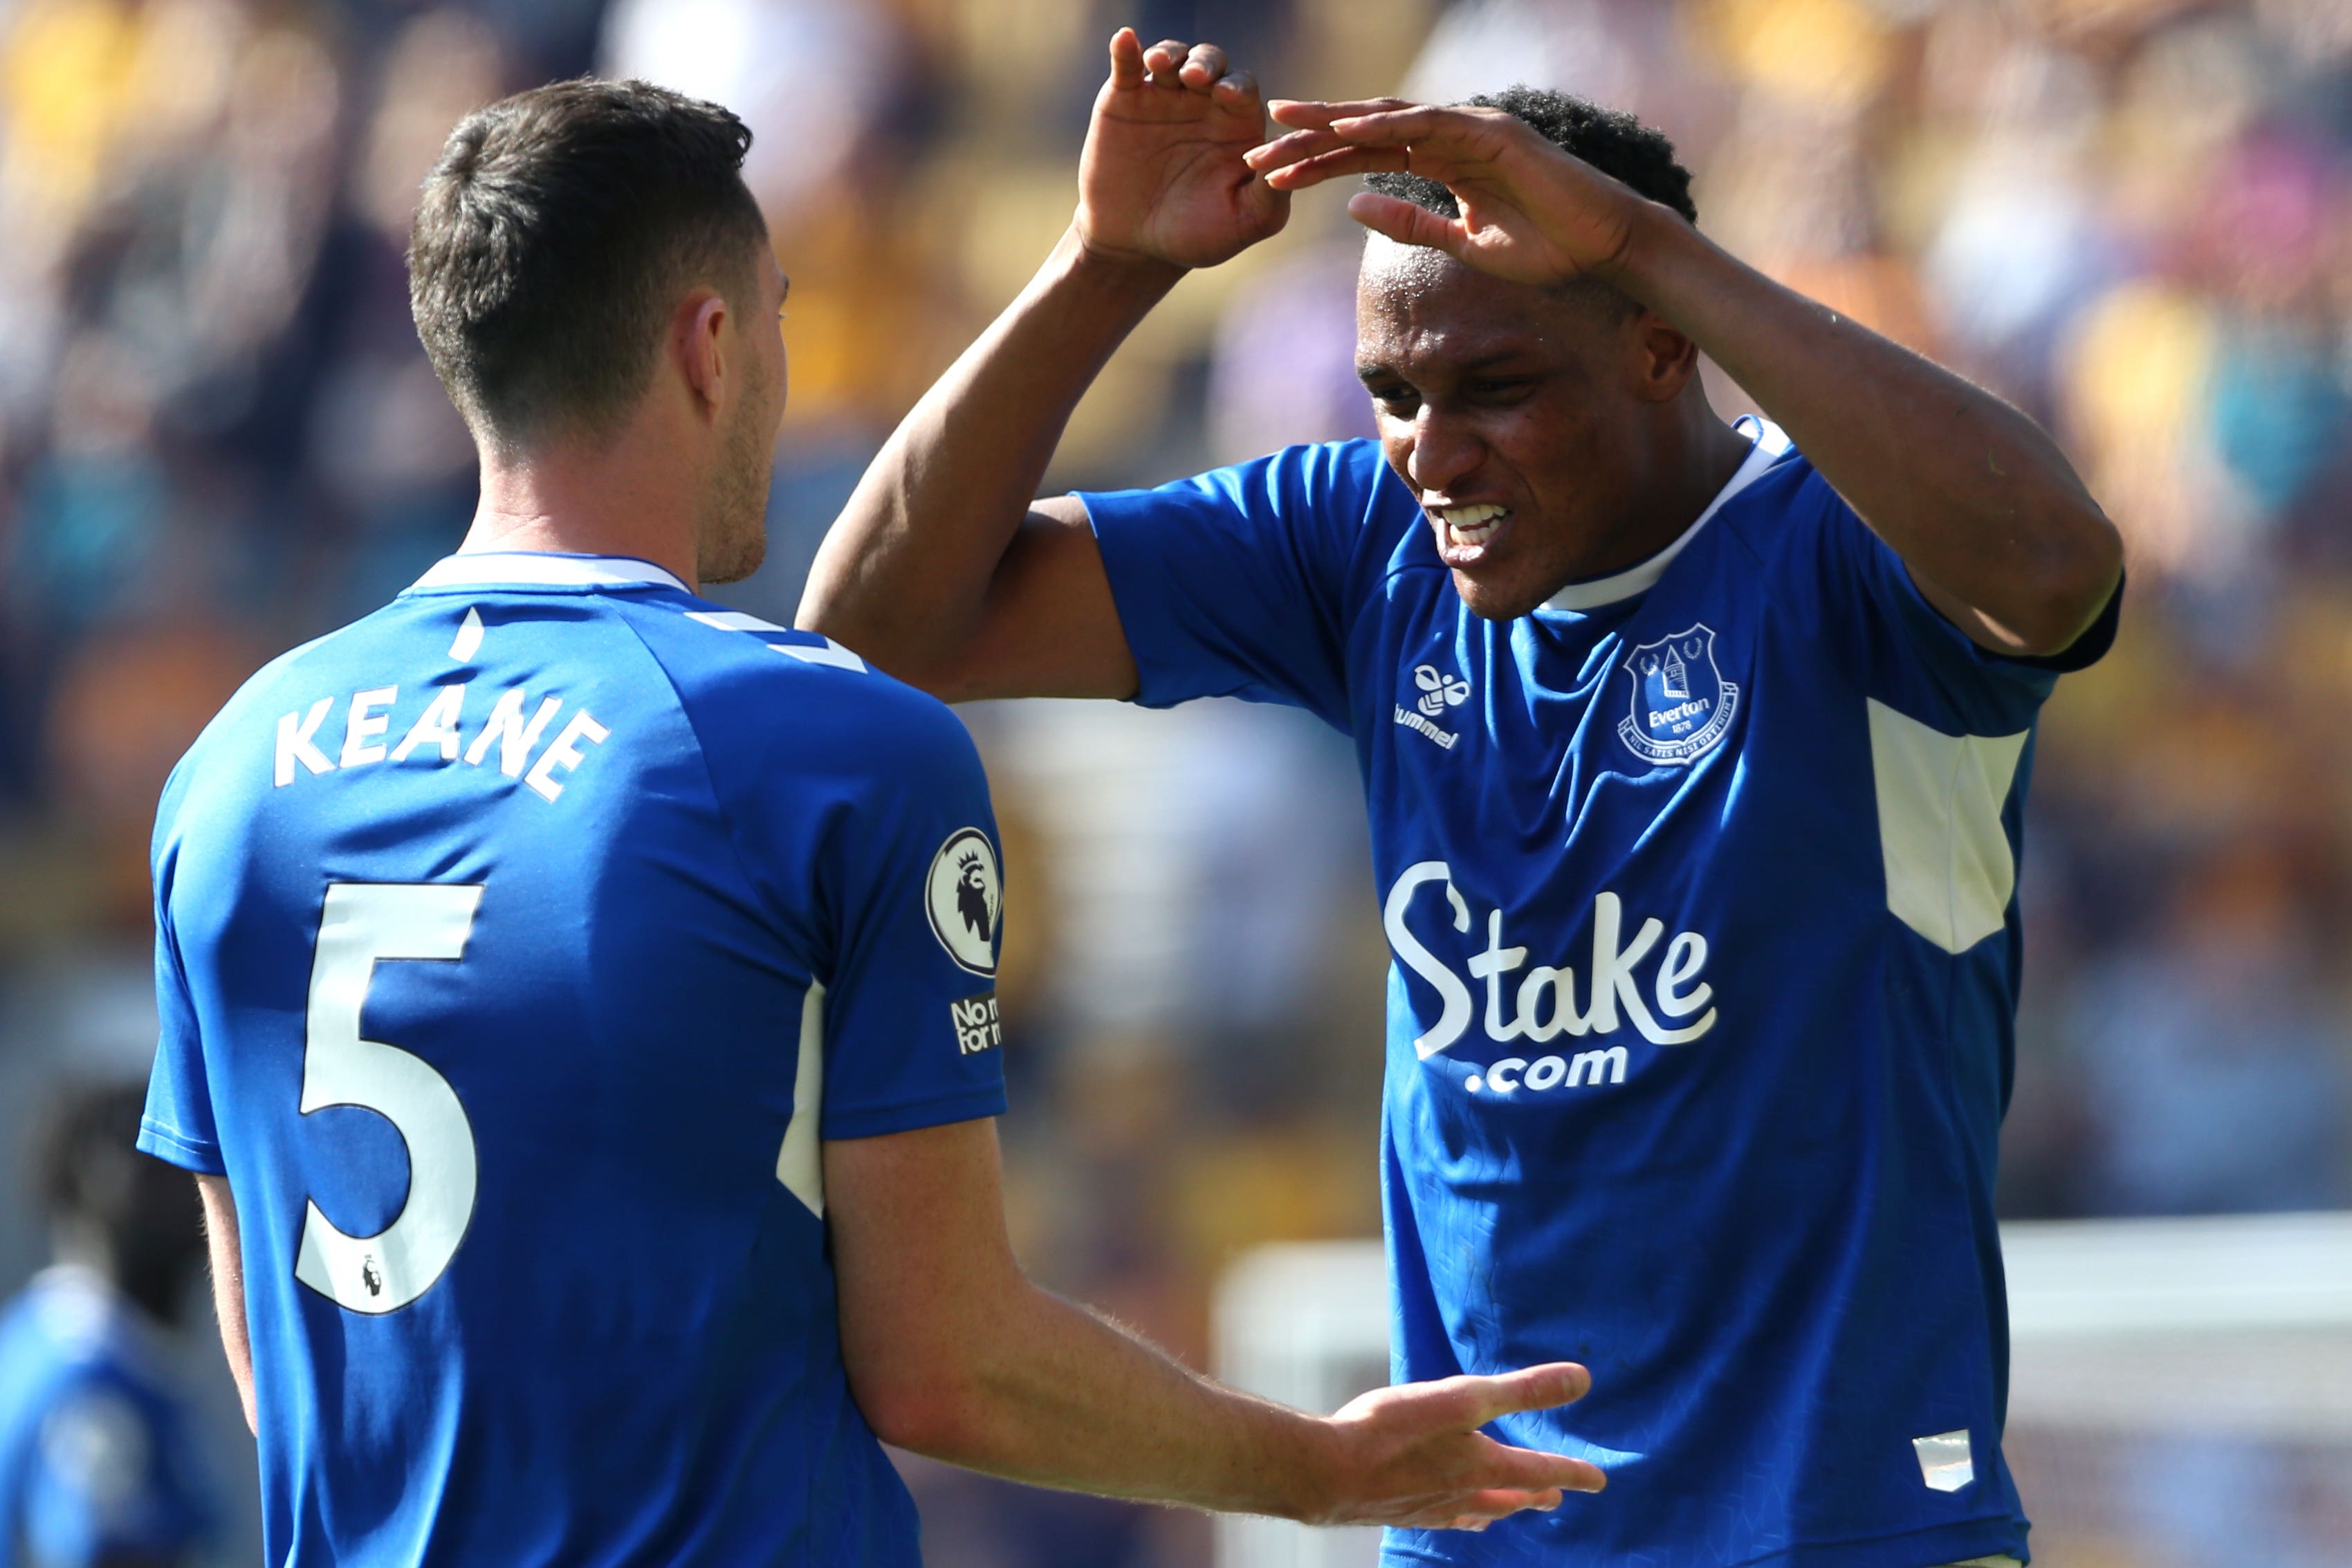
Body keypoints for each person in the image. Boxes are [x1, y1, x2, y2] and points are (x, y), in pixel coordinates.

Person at [132, 77, 1603, 1568]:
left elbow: (280, 1368)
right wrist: (1318, 1467)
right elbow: (945, 1357)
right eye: (775, 312)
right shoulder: (818, 744)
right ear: (710, 346)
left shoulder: (233, 767)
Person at [798, 30, 2126, 1568]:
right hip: (1479, 1532)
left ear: (1655, 342)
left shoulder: (1849, 552)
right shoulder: (1362, 541)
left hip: (1847, 1521)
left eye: (1494, 386)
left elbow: (2054, 568)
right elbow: (868, 634)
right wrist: (1103, 264)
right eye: (1392, 392)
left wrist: (1638, 238)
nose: (1433, 451)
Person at [0, 1082, 215, 1568]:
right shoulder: (94, 1380)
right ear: (88, 1181)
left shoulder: (33, 1331)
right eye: (154, 1155)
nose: (189, 1179)